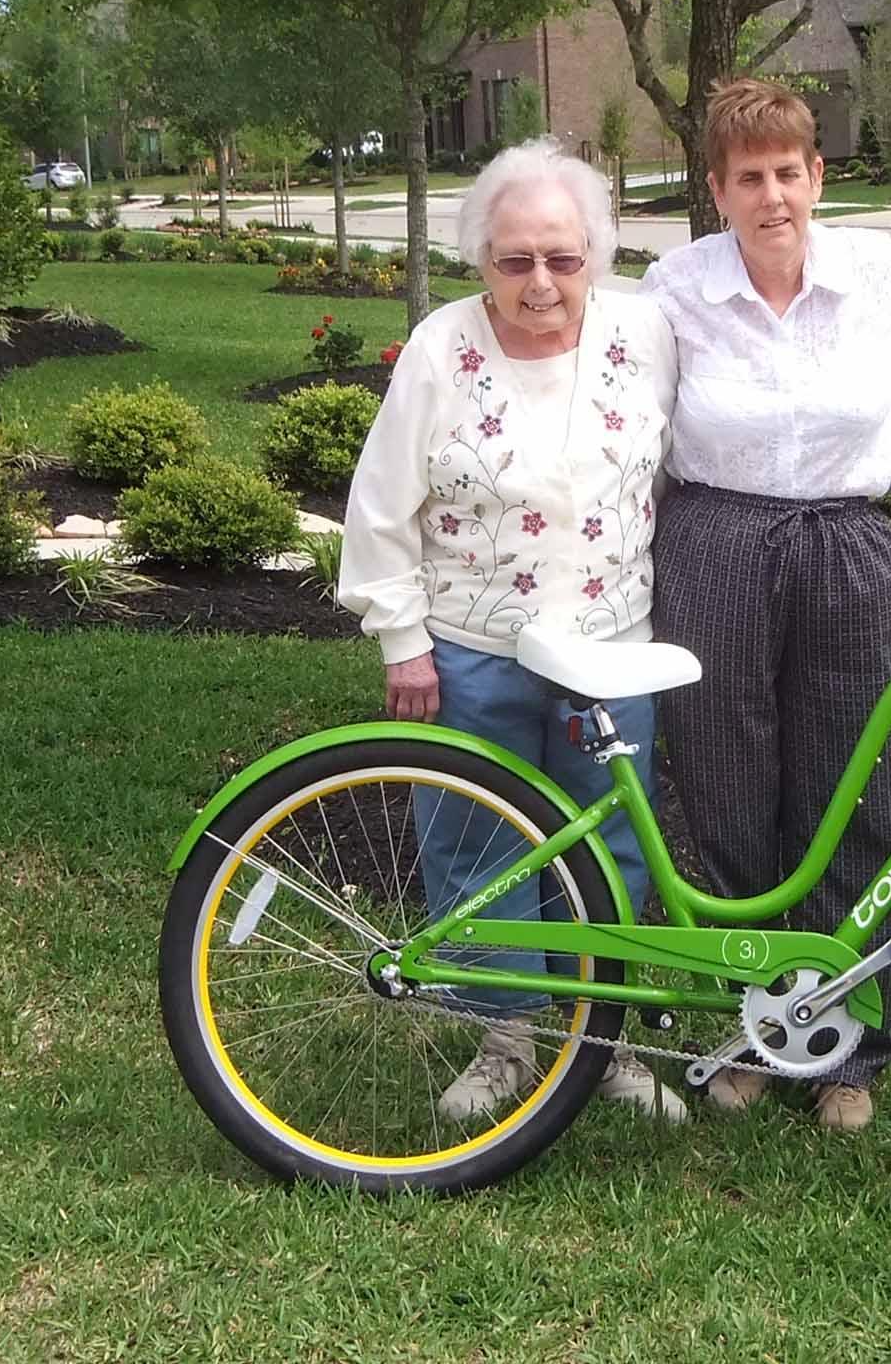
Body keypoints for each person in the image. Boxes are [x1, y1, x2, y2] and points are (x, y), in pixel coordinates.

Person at [639, 78, 891, 1132]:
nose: (772, 195)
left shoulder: (879, 275)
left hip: (844, 542)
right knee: (728, 778)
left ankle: (850, 1050)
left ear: (817, 176)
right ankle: (759, 1026)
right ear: (717, 190)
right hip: (713, 544)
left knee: (858, 776)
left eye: (789, 172)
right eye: (749, 177)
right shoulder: (673, 288)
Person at [339, 137, 685, 1124]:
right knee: (475, 844)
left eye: (562, 259)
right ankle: (507, 1042)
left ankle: (604, 1040)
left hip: (612, 647)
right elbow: (379, 504)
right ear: (479, 259)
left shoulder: (644, 336)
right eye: (514, 260)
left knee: (610, 843)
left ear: (598, 255)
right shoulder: (442, 350)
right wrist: (401, 637)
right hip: (474, 650)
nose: (540, 283)